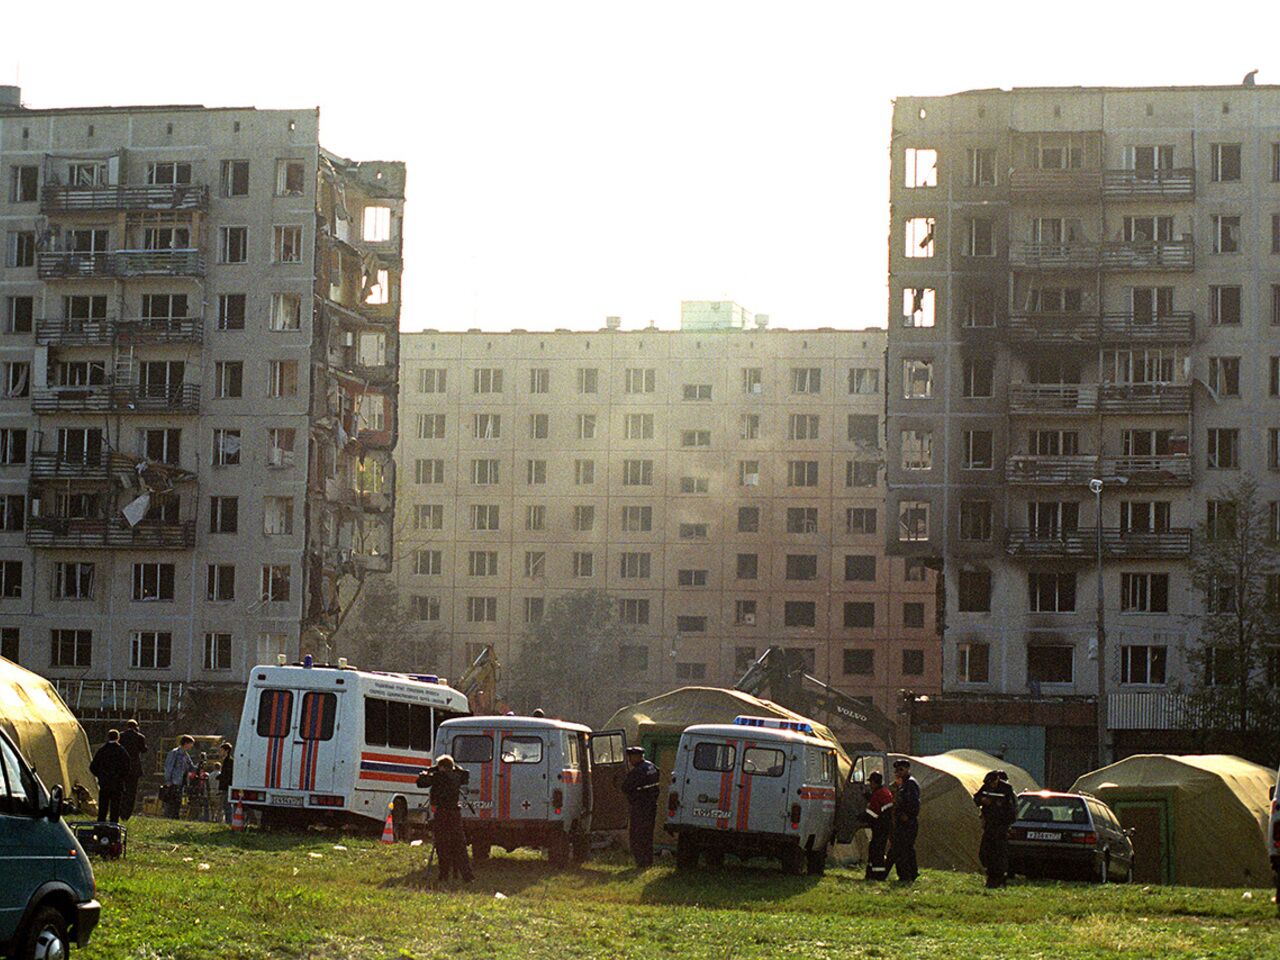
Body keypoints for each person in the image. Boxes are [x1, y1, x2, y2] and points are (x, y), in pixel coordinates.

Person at [429, 755, 473, 883]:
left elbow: (420, 782)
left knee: (442, 844)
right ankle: (467, 876)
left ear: (441, 767)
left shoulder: (438, 777)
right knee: (459, 845)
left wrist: (431, 771)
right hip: (455, 813)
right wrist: (455, 768)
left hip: (442, 813)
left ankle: (444, 875)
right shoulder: (458, 776)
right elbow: (465, 774)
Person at [973, 769, 1017, 888]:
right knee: (985, 852)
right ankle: (990, 875)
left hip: (1001, 826)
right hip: (989, 825)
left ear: (997, 780)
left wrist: (1006, 823)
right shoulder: (986, 787)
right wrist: (982, 800)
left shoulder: (1006, 789)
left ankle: (999, 878)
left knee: (999, 854)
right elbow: (976, 798)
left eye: (992, 783)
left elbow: (1012, 810)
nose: (991, 786)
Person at [620, 745, 660, 868]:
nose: (630, 761)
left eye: (631, 757)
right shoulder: (651, 766)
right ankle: (648, 861)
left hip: (640, 807)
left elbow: (626, 787)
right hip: (651, 805)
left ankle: (641, 862)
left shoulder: (637, 771)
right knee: (648, 835)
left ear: (637, 757)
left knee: (638, 835)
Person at [889, 758, 921, 883]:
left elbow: (913, 803)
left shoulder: (910, 784)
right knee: (906, 849)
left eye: (901, 769)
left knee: (903, 849)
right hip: (902, 821)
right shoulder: (903, 784)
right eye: (897, 770)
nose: (898, 772)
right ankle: (911, 873)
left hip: (907, 822)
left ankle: (906, 876)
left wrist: (907, 815)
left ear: (907, 770)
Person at [89, 729, 130, 824]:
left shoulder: (102, 750)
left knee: (103, 807)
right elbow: (127, 767)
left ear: (108, 737)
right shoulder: (122, 751)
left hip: (104, 783)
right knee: (115, 807)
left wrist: (100, 775)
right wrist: (120, 777)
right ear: (118, 738)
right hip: (117, 783)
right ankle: (114, 826)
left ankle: (100, 825)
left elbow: (93, 766)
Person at [862, 771, 895, 880]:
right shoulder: (885, 792)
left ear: (874, 783)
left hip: (880, 827)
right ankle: (873, 873)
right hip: (885, 826)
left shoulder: (878, 794)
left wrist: (863, 816)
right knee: (877, 849)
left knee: (876, 851)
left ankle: (876, 876)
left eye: (871, 783)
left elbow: (874, 813)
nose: (870, 785)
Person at [119, 719, 147, 821]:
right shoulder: (140, 737)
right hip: (134, 768)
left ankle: (120, 810)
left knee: (122, 790)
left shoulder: (121, 736)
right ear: (136, 726)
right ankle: (127, 814)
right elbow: (143, 749)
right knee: (132, 792)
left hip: (122, 767)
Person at [163, 735, 197, 818]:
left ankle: (175, 816)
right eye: (191, 744)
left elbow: (191, 767)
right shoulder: (174, 753)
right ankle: (169, 816)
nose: (192, 746)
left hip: (181, 781)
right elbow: (169, 767)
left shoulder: (186, 755)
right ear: (186, 743)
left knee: (178, 801)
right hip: (174, 781)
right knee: (171, 801)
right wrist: (168, 781)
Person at [217, 742, 235, 824]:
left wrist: (221, 777)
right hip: (226, 786)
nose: (220, 752)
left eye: (221, 750)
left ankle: (229, 821)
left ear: (226, 751)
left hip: (227, 786)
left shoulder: (229, 761)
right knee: (225, 805)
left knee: (227, 805)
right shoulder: (226, 761)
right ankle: (228, 821)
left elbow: (227, 774)